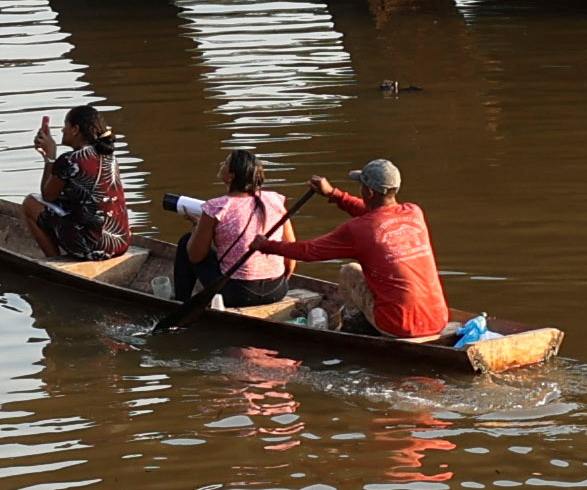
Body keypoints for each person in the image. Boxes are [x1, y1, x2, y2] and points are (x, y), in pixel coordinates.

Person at [280, 158, 451, 341]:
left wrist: (266, 245)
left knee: (350, 271)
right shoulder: (414, 212)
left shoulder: (358, 229)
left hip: (397, 326)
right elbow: (374, 215)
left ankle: (356, 327)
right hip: (438, 319)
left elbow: (309, 251)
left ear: (368, 192)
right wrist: (334, 194)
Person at [163, 145, 291, 306]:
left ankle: (181, 302)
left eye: (225, 163)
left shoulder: (216, 207)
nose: (221, 165)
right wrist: (282, 281)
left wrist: (197, 225)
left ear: (231, 176)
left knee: (185, 242)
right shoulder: (275, 200)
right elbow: (290, 252)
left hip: (238, 294)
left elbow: (196, 256)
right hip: (277, 290)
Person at [26, 103, 134, 257]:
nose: (63, 130)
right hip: (120, 243)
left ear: (75, 130)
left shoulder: (70, 161)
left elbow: (47, 196)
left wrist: (50, 157)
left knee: (30, 203)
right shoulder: (109, 156)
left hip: (92, 246)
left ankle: (53, 260)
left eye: (66, 126)